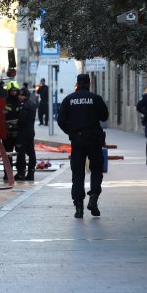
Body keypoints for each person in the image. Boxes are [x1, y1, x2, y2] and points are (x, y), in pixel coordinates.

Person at [57, 73, 109, 218]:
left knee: (78, 173)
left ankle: (79, 208)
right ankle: (94, 198)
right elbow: (105, 116)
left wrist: (71, 132)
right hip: (94, 139)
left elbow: (60, 120)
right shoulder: (95, 98)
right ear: (89, 83)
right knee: (97, 169)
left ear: (77, 83)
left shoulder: (69, 99)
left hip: (77, 140)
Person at [15, 88, 37, 181]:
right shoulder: (32, 104)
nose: (19, 97)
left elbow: (22, 119)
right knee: (31, 152)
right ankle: (31, 173)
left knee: (21, 153)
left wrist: (16, 123)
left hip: (23, 132)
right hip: (30, 132)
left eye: (21, 95)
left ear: (25, 96)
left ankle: (21, 173)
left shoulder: (23, 105)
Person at [2, 81, 21, 179]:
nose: (14, 92)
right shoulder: (4, 102)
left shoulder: (20, 102)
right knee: (7, 154)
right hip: (7, 133)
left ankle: (20, 173)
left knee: (19, 153)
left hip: (18, 133)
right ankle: (7, 174)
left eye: (15, 90)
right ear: (8, 91)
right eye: (12, 90)